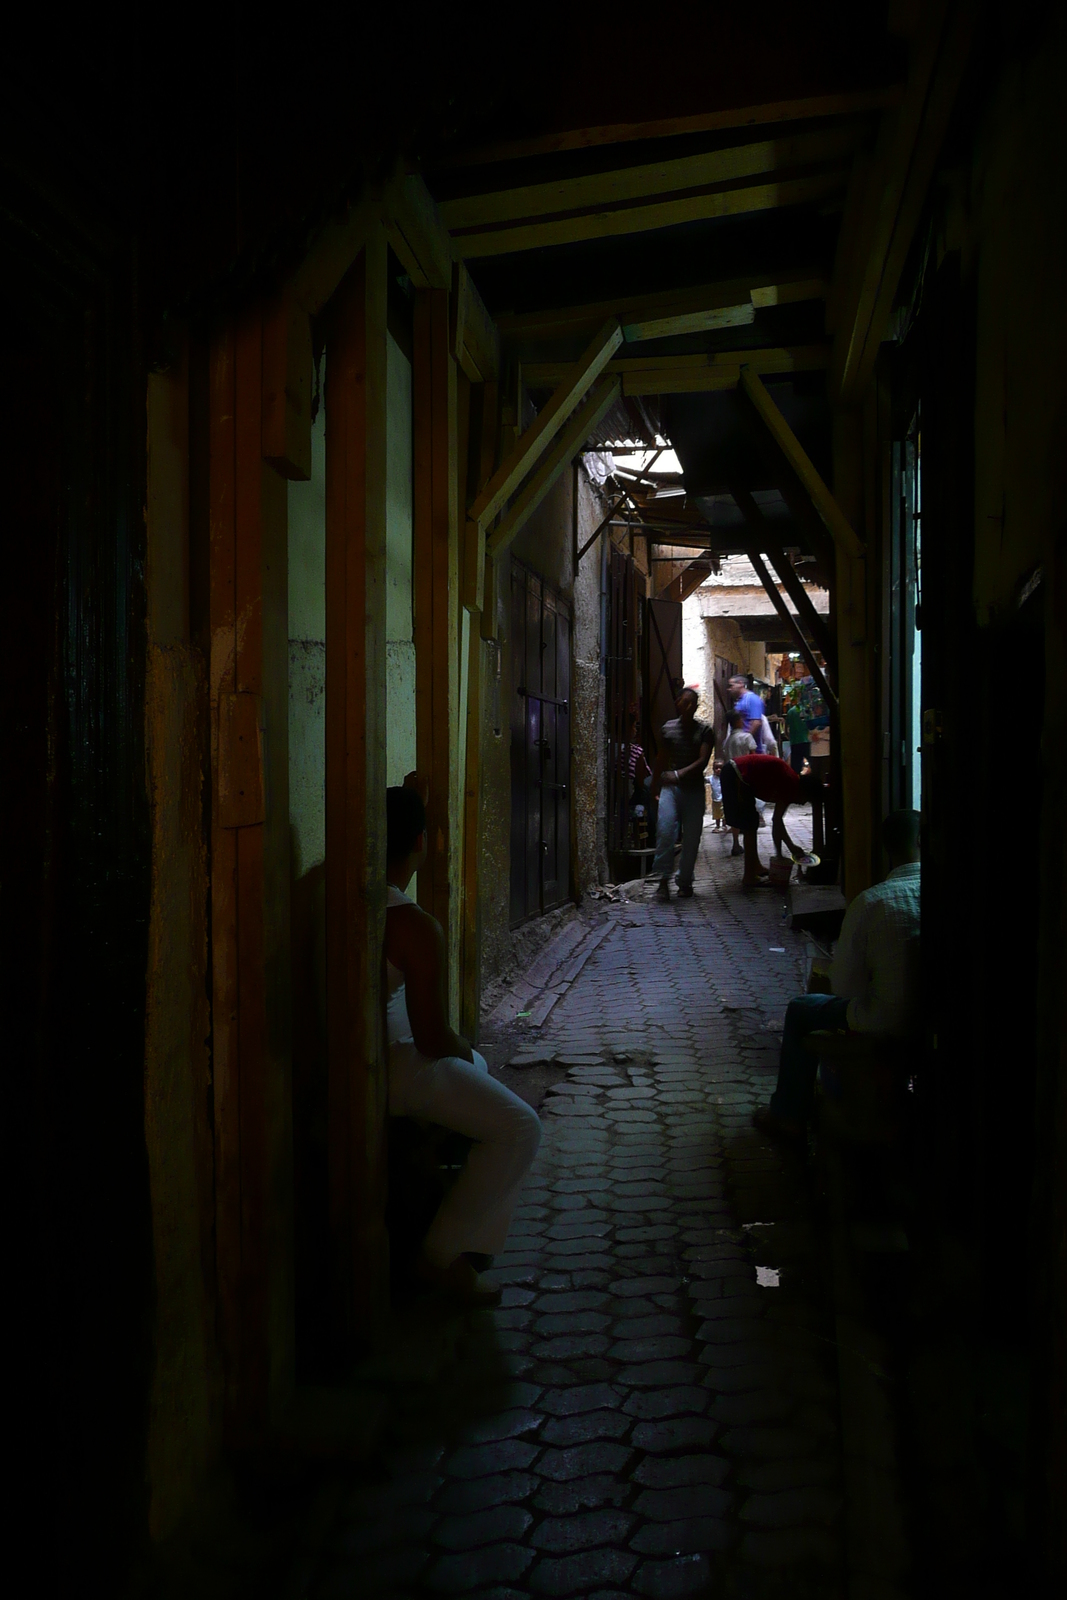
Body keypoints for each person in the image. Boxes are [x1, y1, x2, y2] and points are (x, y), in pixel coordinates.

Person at [384, 778, 542, 1306]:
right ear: (421, 844)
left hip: (370, 1058)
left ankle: (464, 1244)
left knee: (476, 1069)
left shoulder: (342, 901)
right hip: (397, 1066)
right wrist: (461, 1051)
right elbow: (431, 1035)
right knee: (520, 1126)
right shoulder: (411, 925)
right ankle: (437, 1259)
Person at [752, 809, 921, 1139]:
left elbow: (843, 986)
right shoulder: (948, 893)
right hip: (935, 1021)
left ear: (887, 849)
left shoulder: (871, 902)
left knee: (801, 1008)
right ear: (920, 841)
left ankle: (788, 1113)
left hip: (886, 1023)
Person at [721, 750, 824, 887]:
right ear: (804, 791)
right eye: (806, 799)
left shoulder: (792, 784)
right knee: (750, 825)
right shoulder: (790, 783)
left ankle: (756, 866)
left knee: (752, 822)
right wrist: (791, 846)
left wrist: (780, 854)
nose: (803, 803)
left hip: (739, 775)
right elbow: (777, 822)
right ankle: (749, 876)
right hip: (736, 774)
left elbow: (777, 821)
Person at [650, 685, 713, 900]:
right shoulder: (668, 729)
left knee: (692, 838)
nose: (688, 707)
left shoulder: (705, 732)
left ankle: (685, 881)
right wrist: (654, 785)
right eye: (684, 702)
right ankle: (663, 882)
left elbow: (702, 761)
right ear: (678, 703)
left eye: (692, 703)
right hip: (670, 789)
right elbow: (661, 758)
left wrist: (677, 774)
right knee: (665, 831)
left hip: (693, 789)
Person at [721, 712, 757, 857]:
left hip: (730, 776)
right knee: (748, 809)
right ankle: (750, 847)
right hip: (744, 775)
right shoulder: (747, 737)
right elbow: (753, 757)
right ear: (737, 721)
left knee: (734, 809)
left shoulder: (727, 741)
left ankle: (736, 843)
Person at [729, 675, 766, 750]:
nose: (729, 689)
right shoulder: (740, 701)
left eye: (731, 686)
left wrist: (745, 742)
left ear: (740, 683)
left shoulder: (751, 699)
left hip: (750, 750)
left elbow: (756, 722)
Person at [785, 701, 812, 774]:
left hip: (795, 742)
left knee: (795, 768)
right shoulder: (807, 710)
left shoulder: (790, 712)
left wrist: (790, 738)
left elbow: (786, 729)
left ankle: (797, 782)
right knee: (811, 764)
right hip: (807, 740)